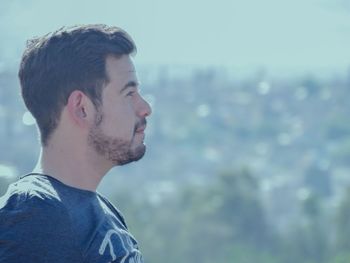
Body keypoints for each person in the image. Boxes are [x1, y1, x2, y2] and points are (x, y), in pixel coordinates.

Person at [0, 24, 152, 262]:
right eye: (128, 93)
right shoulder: (35, 212)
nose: (145, 108)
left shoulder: (104, 212)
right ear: (81, 108)